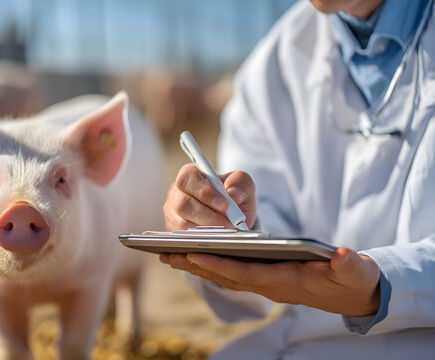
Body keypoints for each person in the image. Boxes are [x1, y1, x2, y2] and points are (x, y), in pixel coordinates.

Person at [160, 0, 435, 358]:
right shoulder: (273, 66)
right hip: (311, 343)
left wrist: (387, 285)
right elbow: (266, 225)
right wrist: (217, 226)